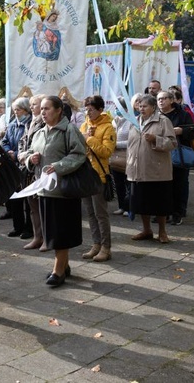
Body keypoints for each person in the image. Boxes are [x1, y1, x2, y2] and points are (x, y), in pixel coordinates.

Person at [23, 96, 87, 288]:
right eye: (41, 109)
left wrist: (58, 166)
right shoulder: (40, 132)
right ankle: (64, 265)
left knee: (60, 232)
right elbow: (29, 152)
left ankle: (58, 271)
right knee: (52, 231)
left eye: (47, 108)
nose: (43, 112)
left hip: (63, 191)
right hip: (44, 190)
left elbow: (79, 155)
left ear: (59, 110)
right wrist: (30, 159)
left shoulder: (69, 130)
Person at [126, 94, 177, 243]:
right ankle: (146, 230)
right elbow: (131, 145)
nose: (141, 109)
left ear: (153, 107)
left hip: (157, 171)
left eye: (145, 106)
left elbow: (172, 143)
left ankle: (162, 232)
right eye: (140, 106)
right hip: (137, 170)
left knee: (159, 203)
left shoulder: (163, 121)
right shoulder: (134, 122)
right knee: (141, 203)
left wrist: (156, 139)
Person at [79, 95, 116, 262]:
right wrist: (85, 137)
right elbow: (78, 146)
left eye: (91, 109)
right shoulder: (85, 125)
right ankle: (95, 244)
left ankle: (106, 247)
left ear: (100, 110)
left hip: (98, 176)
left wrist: (90, 138)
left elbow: (106, 152)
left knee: (101, 214)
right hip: (85, 175)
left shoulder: (108, 127)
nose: (88, 112)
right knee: (90, 213)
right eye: (86, 108)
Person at [158, 91, 194, 226]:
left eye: (164, 99)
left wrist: (181, 131)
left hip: (178, 155)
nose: (161, 101)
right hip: (160, 155)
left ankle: (178, 213)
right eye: (159, 99)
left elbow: (193, 131)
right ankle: (163, 212)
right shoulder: (155, 115)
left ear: (171, 100)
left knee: (179, 184)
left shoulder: (182, 114)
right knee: (162, 185)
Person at [17, 94, 47, 250]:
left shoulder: (44, 123)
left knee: (43, 207)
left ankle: (47, 239)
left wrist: (28, 155)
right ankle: (37, 237)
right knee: (32, 207)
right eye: (32, 104)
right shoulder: (30, 121)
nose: (32, 107)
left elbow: (40, 146)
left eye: (35, 104)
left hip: (41, 169)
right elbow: (23, 141)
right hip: (29, 169)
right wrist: (22, 154)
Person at [0, 97, 31, 238]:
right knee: (15, 198)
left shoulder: (31, 125)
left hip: (26, 165)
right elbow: (5, 141)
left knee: (28, 200)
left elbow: (32, 145)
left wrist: (17, 154)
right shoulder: (13, 124)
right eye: (14, 110)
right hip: (13, 166)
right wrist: (8, 152)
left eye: (18, 110)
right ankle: (17, 226)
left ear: (26, 110)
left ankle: (29, 229)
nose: (16, 112)